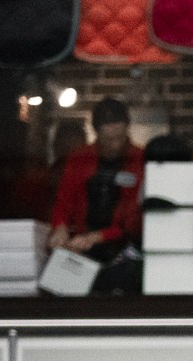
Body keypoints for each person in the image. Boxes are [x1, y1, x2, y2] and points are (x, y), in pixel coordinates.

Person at [48, 98, 144, 294]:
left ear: (127, 129)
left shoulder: (140, 159)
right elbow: (63, 203)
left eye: (120, 137)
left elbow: (136, 220)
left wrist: (97, 237)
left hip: (125, 252)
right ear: (96, 132)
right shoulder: (79, 159)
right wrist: (60, 227)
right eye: (109, 139)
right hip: (83, 249)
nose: (116, 145)